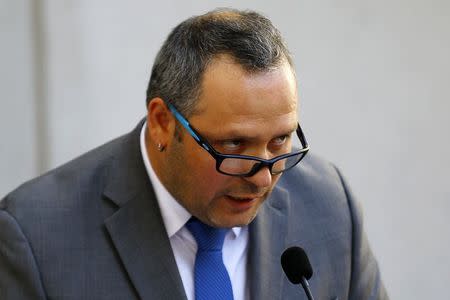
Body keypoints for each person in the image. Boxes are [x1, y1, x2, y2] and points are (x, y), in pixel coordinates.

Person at [0, 8, 388, 300]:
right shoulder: (35, 239)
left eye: (280, 141)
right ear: (163, 123)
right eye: (234, 145)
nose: (263, 178)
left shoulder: (330, 207)